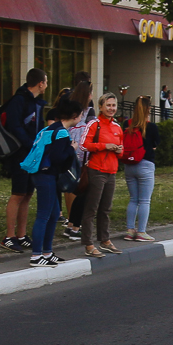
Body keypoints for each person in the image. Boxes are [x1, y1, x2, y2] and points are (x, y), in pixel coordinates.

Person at [23, 98, 82, 267]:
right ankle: (36, 255)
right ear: (74, 116)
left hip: (40, 174)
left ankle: (47, 252)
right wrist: (72, 148)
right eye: (80, 115)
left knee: (54, 213)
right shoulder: (62, 133)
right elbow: (58, 157)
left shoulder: (49, 129)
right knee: (43, 214)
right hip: (47, 175)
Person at [0, 68, 48, 254]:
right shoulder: (19, 100)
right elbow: (15, 126)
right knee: (18, 194)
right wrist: (31, 144)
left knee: (27, 193)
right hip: (20, 154)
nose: (46, 85)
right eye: (46, 82)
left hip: (32, 153)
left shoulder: (35, 102)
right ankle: (9, 236)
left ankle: (21, 235)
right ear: (40, 83)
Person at [81, 92, 124, 258]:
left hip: (111, 171)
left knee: (106, 208)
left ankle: (105, 240)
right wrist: (104, 146)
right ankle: (88, 244)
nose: (111, 108)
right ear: (101, 107)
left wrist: (119, 150)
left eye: (114, 105)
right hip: (96, 170)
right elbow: (84, 145)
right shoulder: (94, 124)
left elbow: (121, 151)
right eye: (108, 105)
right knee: (91, 208)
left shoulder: (117, 127)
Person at [122, 94, 160, 242]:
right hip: (145, 165)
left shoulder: (127, 124)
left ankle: (130, 230)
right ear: (148, 109)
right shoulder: (151, 127)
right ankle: (141, 232)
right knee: (144, 200)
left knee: (133, 199)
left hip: (129, 165)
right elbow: (155, 144)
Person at [62, 77, 95, 240]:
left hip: (70, 149)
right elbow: (93, 130)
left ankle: (70, 222)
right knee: (83, 190)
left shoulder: (70, 107)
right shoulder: (89, 111)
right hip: (83, 152)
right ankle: (75, 225)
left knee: (71, 188)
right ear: (88, 94)